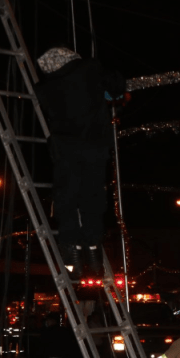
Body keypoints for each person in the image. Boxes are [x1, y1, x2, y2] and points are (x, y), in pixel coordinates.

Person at [34, 46, 125, 280]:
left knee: (67, 196)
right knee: (92, 196)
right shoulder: (90, 68)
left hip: (65, 149)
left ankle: (70, 249)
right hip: (94, 145)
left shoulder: (44, 88)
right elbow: (116, 89)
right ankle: (93, 248)